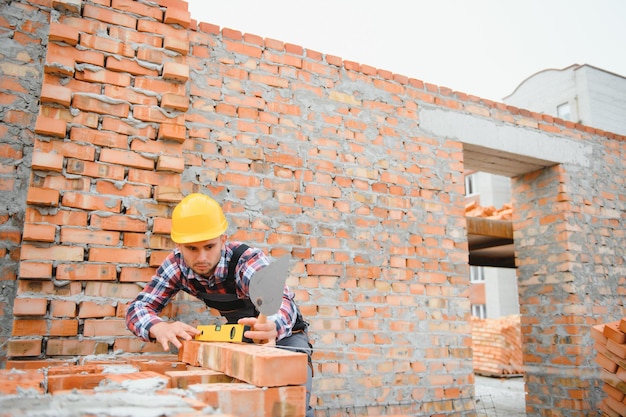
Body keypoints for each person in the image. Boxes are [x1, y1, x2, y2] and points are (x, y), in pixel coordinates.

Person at [125, 193, 314, 416]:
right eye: (192, 249)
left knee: (289, 407)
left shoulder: (246, 260)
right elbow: (137, 308)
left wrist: (272, 324)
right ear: (179, 246)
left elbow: (281, 300)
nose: (201, 257)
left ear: (223, 240)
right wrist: (158, 326)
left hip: (284, 336)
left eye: (209, 246)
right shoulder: (176, 266)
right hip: (240, 339)